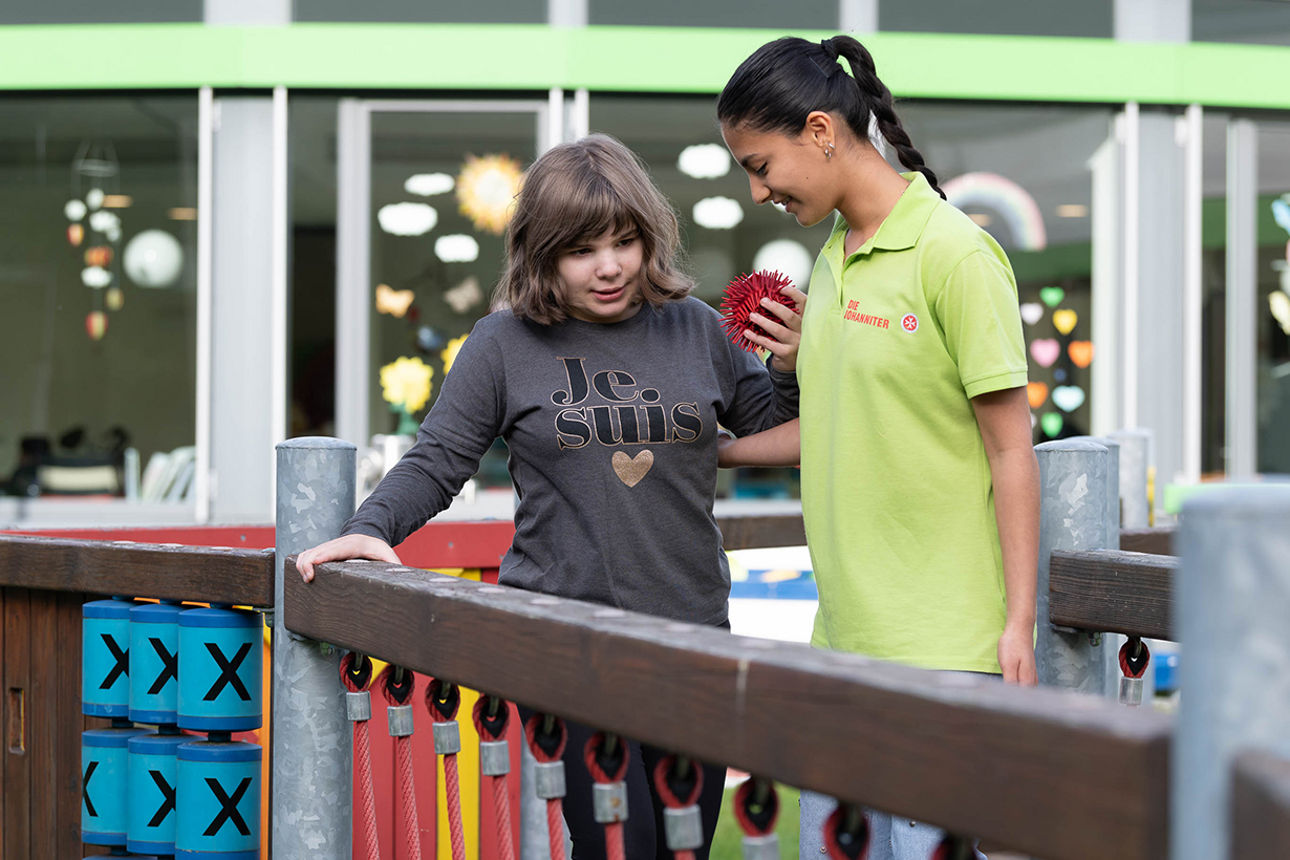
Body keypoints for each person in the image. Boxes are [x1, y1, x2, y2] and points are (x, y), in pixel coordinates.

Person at [295, 133, 804, 860]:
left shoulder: (695, 327)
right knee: (620, 847)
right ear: (542, 254)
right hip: (566, 644)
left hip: (692, 641)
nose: (609, 266)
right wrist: (371, 526)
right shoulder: (504, 343)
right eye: (581, 250)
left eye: (625, 242)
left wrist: (788, 366)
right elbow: (438, 460)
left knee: (681, 849)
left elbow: (776, 428)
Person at [716, 35, 1040, 860]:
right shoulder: (834, 258)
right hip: (840, 644)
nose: (758, 191)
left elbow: (1012, 452)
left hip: (945, 652)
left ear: (821, 132)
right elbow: (835, 426)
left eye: (761, 166)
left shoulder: (956, 255)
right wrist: (715, 452)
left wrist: (1018, 624)